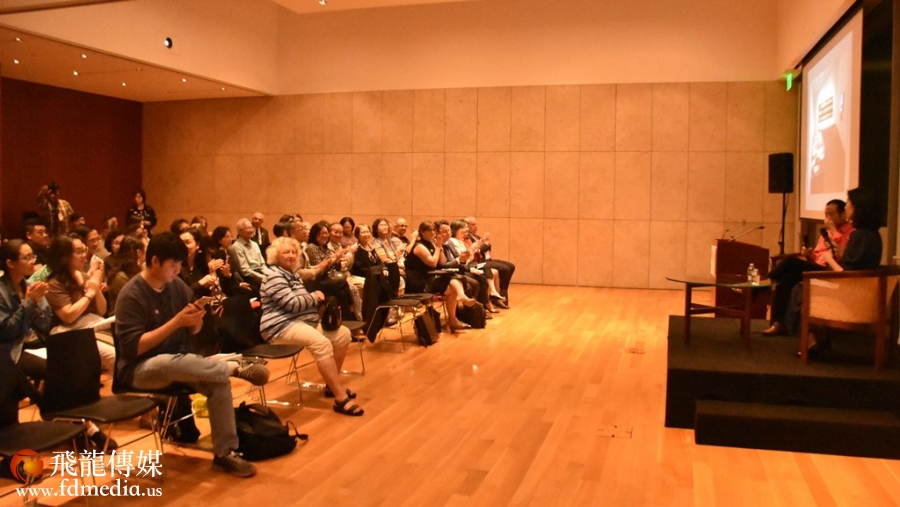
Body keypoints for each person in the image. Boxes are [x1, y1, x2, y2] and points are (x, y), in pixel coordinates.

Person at [115, 232, 270, 477]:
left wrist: (195, 320)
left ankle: (225, 452)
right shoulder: (131, 294)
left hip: (181, 361)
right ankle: (232, 367)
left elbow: (194, 332)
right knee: (166, 362)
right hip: (140, 369)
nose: (178, 270)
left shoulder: (177, 286)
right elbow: (134, 348)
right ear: (155, 261)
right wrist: (177, 322)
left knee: (218, 382)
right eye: (173, 265)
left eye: (179, 264)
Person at [260, 237, 364, 416]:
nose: (291, 255)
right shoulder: (274, 275)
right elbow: (292, 304)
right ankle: (340, 397)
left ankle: (331, 385)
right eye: (286, 252)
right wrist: (314, 297)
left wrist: (311, 298)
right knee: (321, 343)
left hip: (301, 322)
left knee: (343, 334)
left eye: (293, 252)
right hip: (280, 326)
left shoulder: (292, 274)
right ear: (275, 256)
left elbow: (299, 301)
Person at [764, 199, 855, 336]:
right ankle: (778, 323)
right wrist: (809, 255)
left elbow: (842, 257)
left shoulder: (852, 232)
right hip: (818, 268)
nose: (828, 218)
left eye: (831, 214)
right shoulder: (826, 232)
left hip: (833, 273)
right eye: (826, 214)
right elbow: (818, 257)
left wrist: (834, 232)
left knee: (789, 261)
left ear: (843, 215)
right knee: (786, 279)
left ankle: (763, 283)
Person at [44, 235, 116, 372]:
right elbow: (68, 316)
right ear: (64, 256)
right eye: (78, 252)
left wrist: (96, 286)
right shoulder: (54, 283)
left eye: (84, 250)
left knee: (125, 345)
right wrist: (90, 292)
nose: (84, 256)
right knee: (114, 355)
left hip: (90, 324)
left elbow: (101, 310)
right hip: (67, 332)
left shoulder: (83, 275)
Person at [405, 221, 476, 332]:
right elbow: (433, 263)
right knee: (451, 279)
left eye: (434, 230)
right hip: (419, 282)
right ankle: (461, 298)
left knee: (452, 289)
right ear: (422, 232)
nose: (432, 233)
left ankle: (453, 319)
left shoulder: (432, 244)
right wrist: (438, 247)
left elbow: (442, 262)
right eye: (429, 230)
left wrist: (440, 248)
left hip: (430, 277)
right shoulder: (419, 247)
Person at [0, 240, 52, 382]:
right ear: (10, 263)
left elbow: (46, 324)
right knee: (54, 369)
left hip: (39, 341)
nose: (32, 261)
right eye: (27, 258)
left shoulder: (32, 286)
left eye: (33, 256)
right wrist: (29, 302)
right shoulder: (1, 292)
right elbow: (6, 331)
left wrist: (35, 305)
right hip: (13, 347)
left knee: (73, 357)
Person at [465, 216, 515, 306]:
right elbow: (478, 251)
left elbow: (485, 249)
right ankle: (499, 295)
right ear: (467, 226)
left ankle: (503, 290)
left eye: (476, 224)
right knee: (505, 269)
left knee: (511, 266)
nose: (476, 226)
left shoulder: (476, 237)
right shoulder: (467, 238)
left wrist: (486, 243)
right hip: (480, 261)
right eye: (473, 224)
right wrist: (485, 244)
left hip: (487, 259)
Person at [105, 236, 145, 316]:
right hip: (122, 317)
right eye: (145, 249)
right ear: (139, 253)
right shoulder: (120, 277)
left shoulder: (139, 270)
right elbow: (137, 302)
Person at [232, 218, 267, 293]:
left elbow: (262, 264)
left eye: (251, 227)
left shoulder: (254, 244)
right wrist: (263, 277)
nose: (251, 230)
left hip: (260, 273)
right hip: (249, 276)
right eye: (248, 228)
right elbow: (245, 270)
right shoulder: (237, 246)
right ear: (240, 231)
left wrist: (269, 274)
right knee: (268, 285)